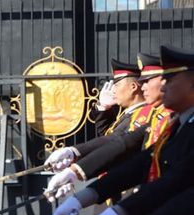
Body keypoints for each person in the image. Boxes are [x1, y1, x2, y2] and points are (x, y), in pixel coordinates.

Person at [48, 45, 194, 215]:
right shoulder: (176, 125)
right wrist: (80, 186)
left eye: (168, 78)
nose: (150, 85)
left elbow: (176, 184)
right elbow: (127, 148)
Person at [44, 54, 166, 201]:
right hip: (115, 185)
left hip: (129, 189)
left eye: (117, 84)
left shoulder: (146, 114)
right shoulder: (128, 114)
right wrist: (103, 108)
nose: (113, 89)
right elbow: (110, 138)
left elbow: (121, 143)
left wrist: (76, 165)